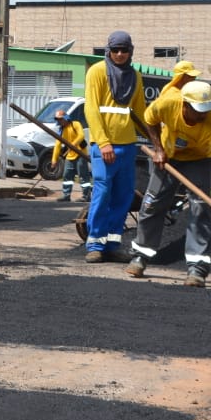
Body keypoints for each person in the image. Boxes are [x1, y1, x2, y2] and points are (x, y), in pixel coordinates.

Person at [125, 81, 211, 288]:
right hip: (168, 157)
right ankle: (140, 256)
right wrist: (158, 149)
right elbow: (149, 119)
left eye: (206, 109)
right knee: (151, 203)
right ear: (185, 105)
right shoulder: (167, 103)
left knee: (200, 208)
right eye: (199, 110)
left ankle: (197, 268)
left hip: (198, 160)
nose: (204, 115)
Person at [83, 31, 166, 264]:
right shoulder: (97, 71)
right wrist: (103, 142)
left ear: (131, 51)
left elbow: (140, 114)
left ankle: (112, 245)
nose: (120, 54)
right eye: (115, 50)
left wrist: (158, 143)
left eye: (124, 50)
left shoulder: (135, 76)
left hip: (127, 145)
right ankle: (95, 245)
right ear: (108, 50)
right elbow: (91, 109)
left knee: (123, 197)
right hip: (104, 147)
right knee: (102, 194)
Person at [52, 107, 89, 203]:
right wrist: (54, 160)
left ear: (65, 118)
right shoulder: (61, 130)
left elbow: (81, 136)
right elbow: (57, 145)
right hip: (70, 155)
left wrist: (73, 145)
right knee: (67, 175)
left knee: (83, 175)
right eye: (57, 119)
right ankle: (66, 195)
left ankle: (86, 196)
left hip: (80, 154)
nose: (59, 121)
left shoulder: (75, 124)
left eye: (60, 119)